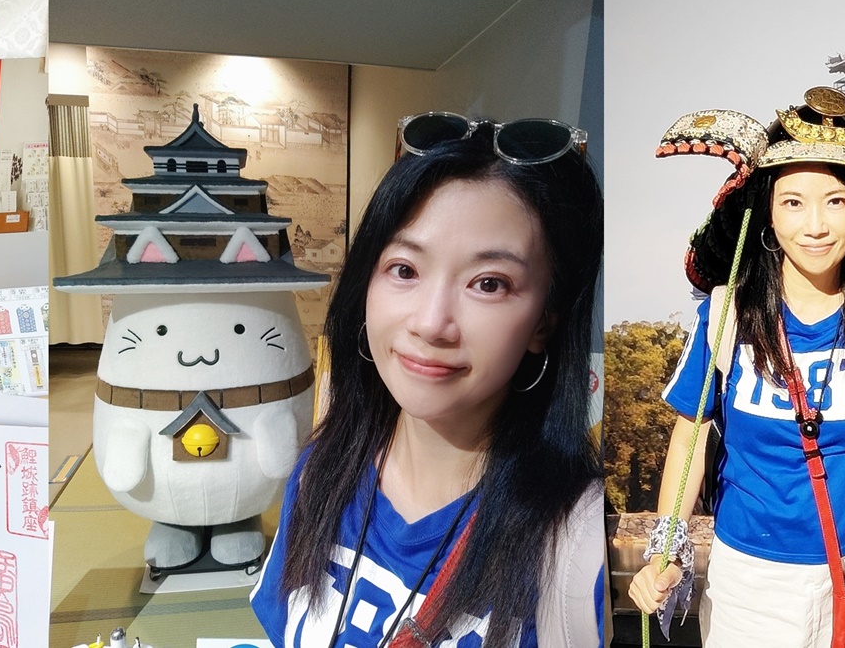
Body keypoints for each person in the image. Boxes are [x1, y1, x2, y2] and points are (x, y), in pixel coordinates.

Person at [624, 91, 845, 648]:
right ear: (767, 212)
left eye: (836, 201)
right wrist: (666, 553)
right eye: (793, 202)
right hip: (752, 581)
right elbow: (690, 434)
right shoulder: (727, 313)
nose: (814, 225)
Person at [249, 114, 606, 648]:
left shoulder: (575, 541)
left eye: (489, 283)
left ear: (544, 322)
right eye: (405, 270)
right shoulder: (321, 470)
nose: (430, 322)